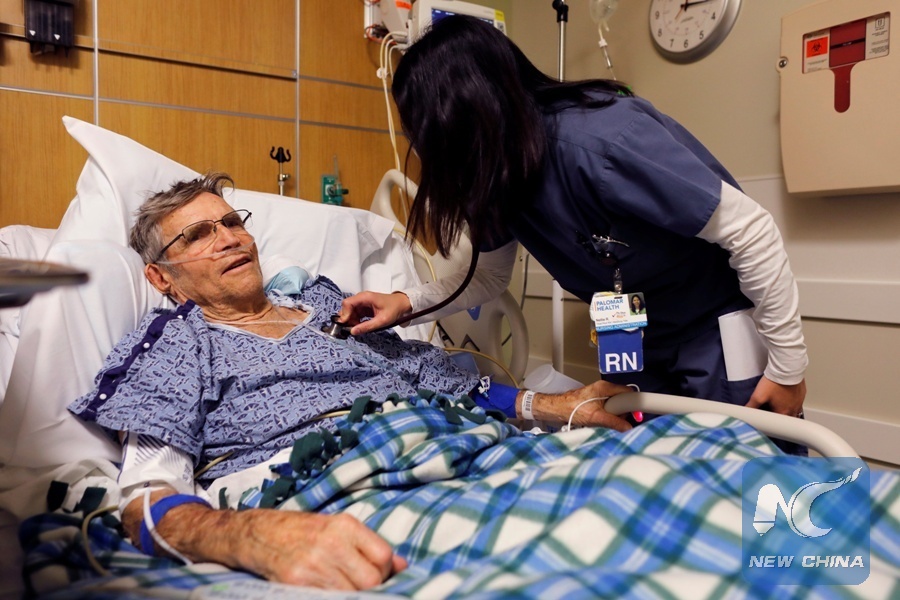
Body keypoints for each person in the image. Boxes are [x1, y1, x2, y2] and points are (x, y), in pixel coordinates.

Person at [67, 172, 633, 591]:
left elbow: (432, 375)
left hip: (463, 446)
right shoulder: (175, 346)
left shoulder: (325, 304)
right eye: (197, 235)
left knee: (629, 489)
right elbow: (148, 501)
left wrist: (555, 405)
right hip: (344, 488)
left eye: (232, 222)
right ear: (160, 277)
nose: (229, 238)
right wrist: (250, 535)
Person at [339, 15, 807, 426]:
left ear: (464, 113)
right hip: (640, 342)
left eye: (426, 131)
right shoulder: (501, 175)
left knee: (754, 475)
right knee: (665, 474)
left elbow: (752, 231)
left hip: (718, 333)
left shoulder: (602, 141)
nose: (424, 149)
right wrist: (406, 301)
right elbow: (488, 277)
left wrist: (788, 370)